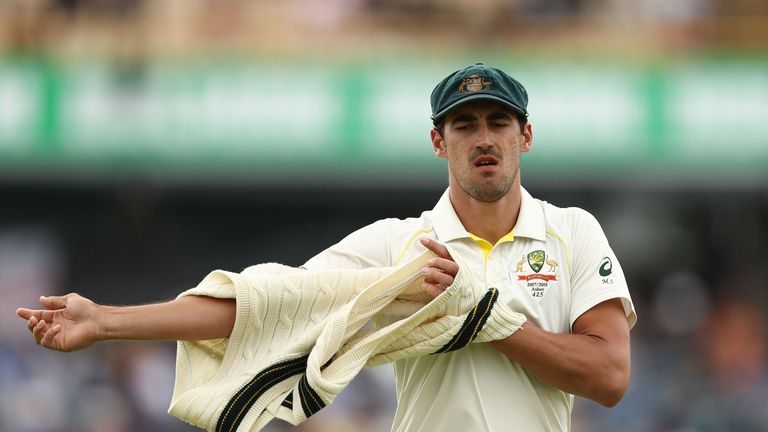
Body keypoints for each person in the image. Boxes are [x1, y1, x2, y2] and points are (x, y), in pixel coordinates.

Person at [16, 63, 636, 432]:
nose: (484, 138)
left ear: (525, 136)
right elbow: (267, 304)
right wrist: (106, 321)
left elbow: (609, 377)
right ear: (437, 142)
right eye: (464, 124)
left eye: (498, 122)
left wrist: (489, 320)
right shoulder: (401, 245)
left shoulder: (572, 232)